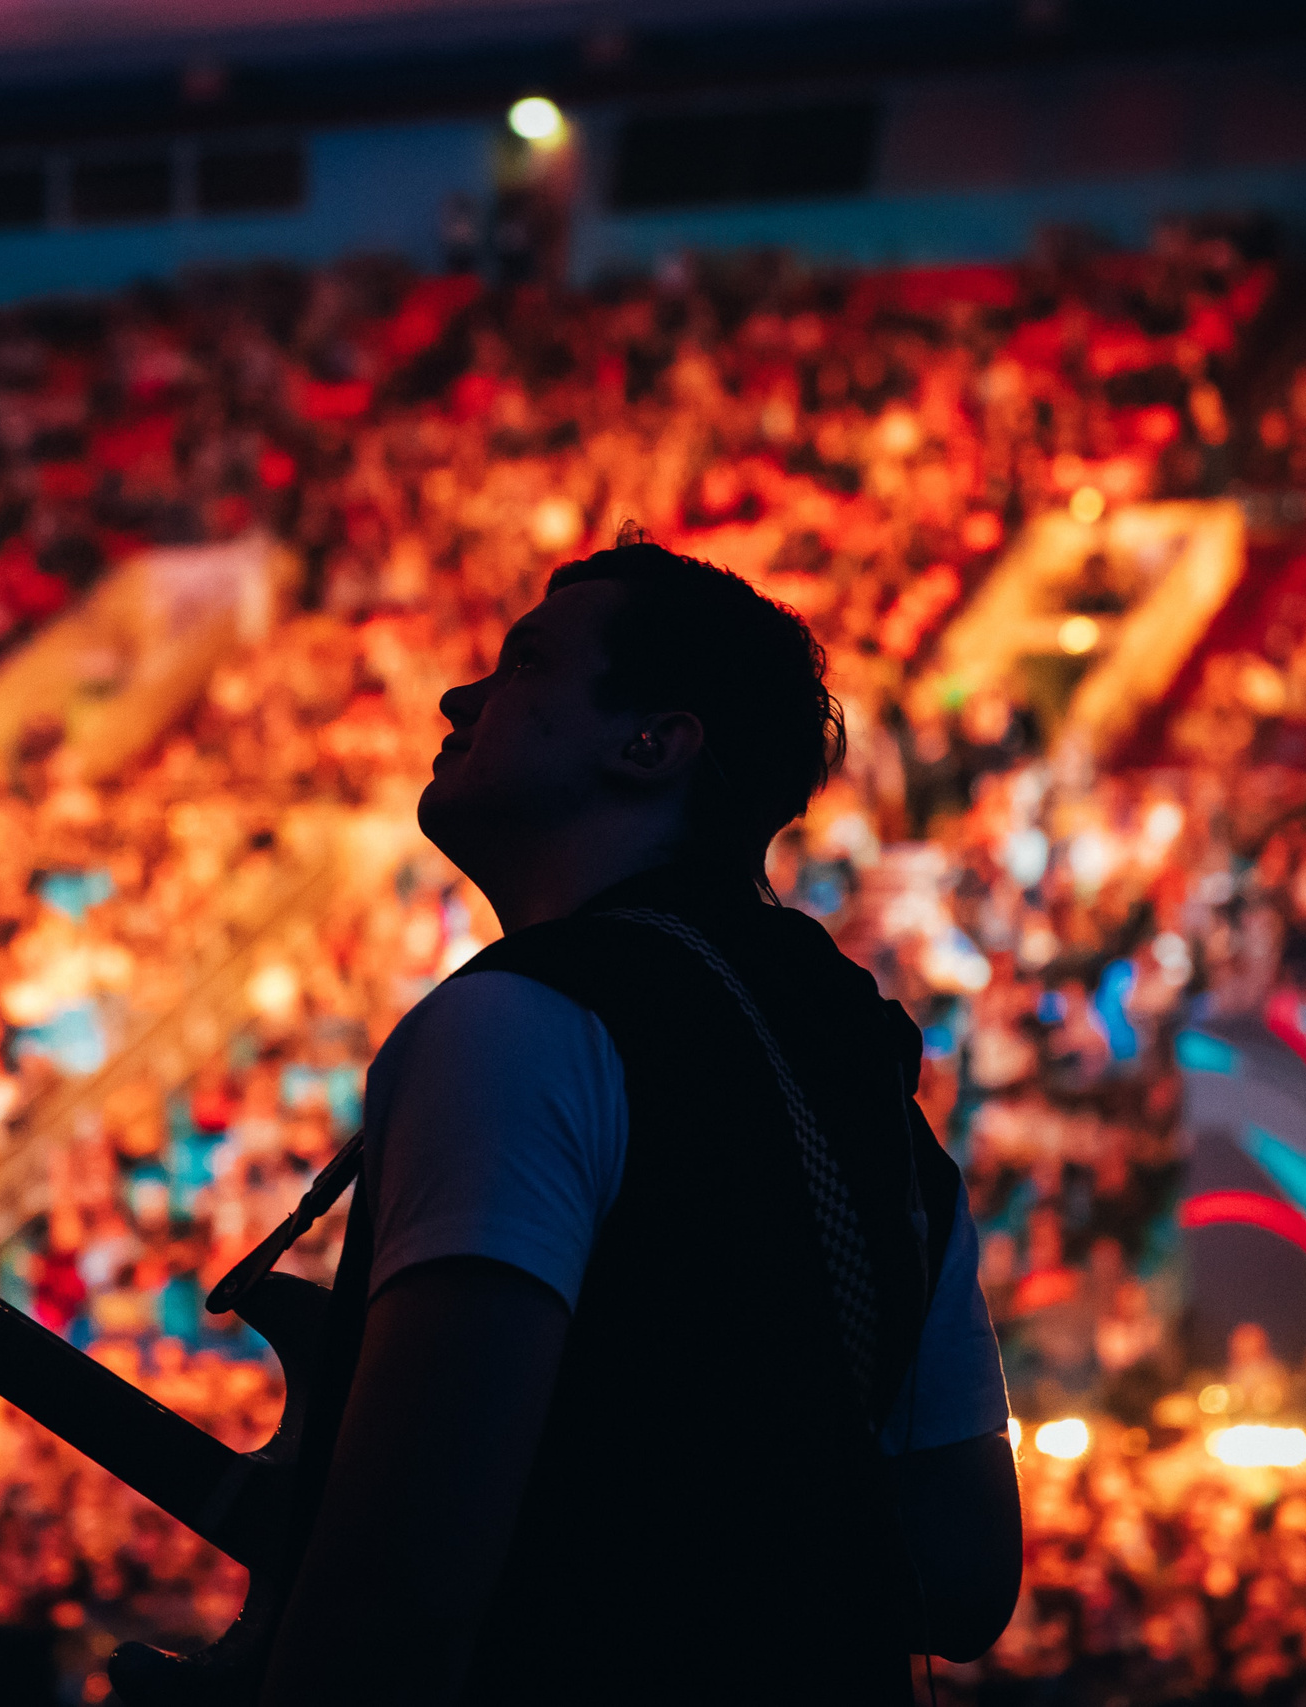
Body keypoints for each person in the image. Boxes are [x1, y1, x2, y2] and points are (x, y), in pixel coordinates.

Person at [257, 535, 1022, 1706]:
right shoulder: (863, 1087)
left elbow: (400, 1598)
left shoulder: (521, 1026)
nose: (462, 695)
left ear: (650, 743)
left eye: (522, 667)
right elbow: (965, 1577)